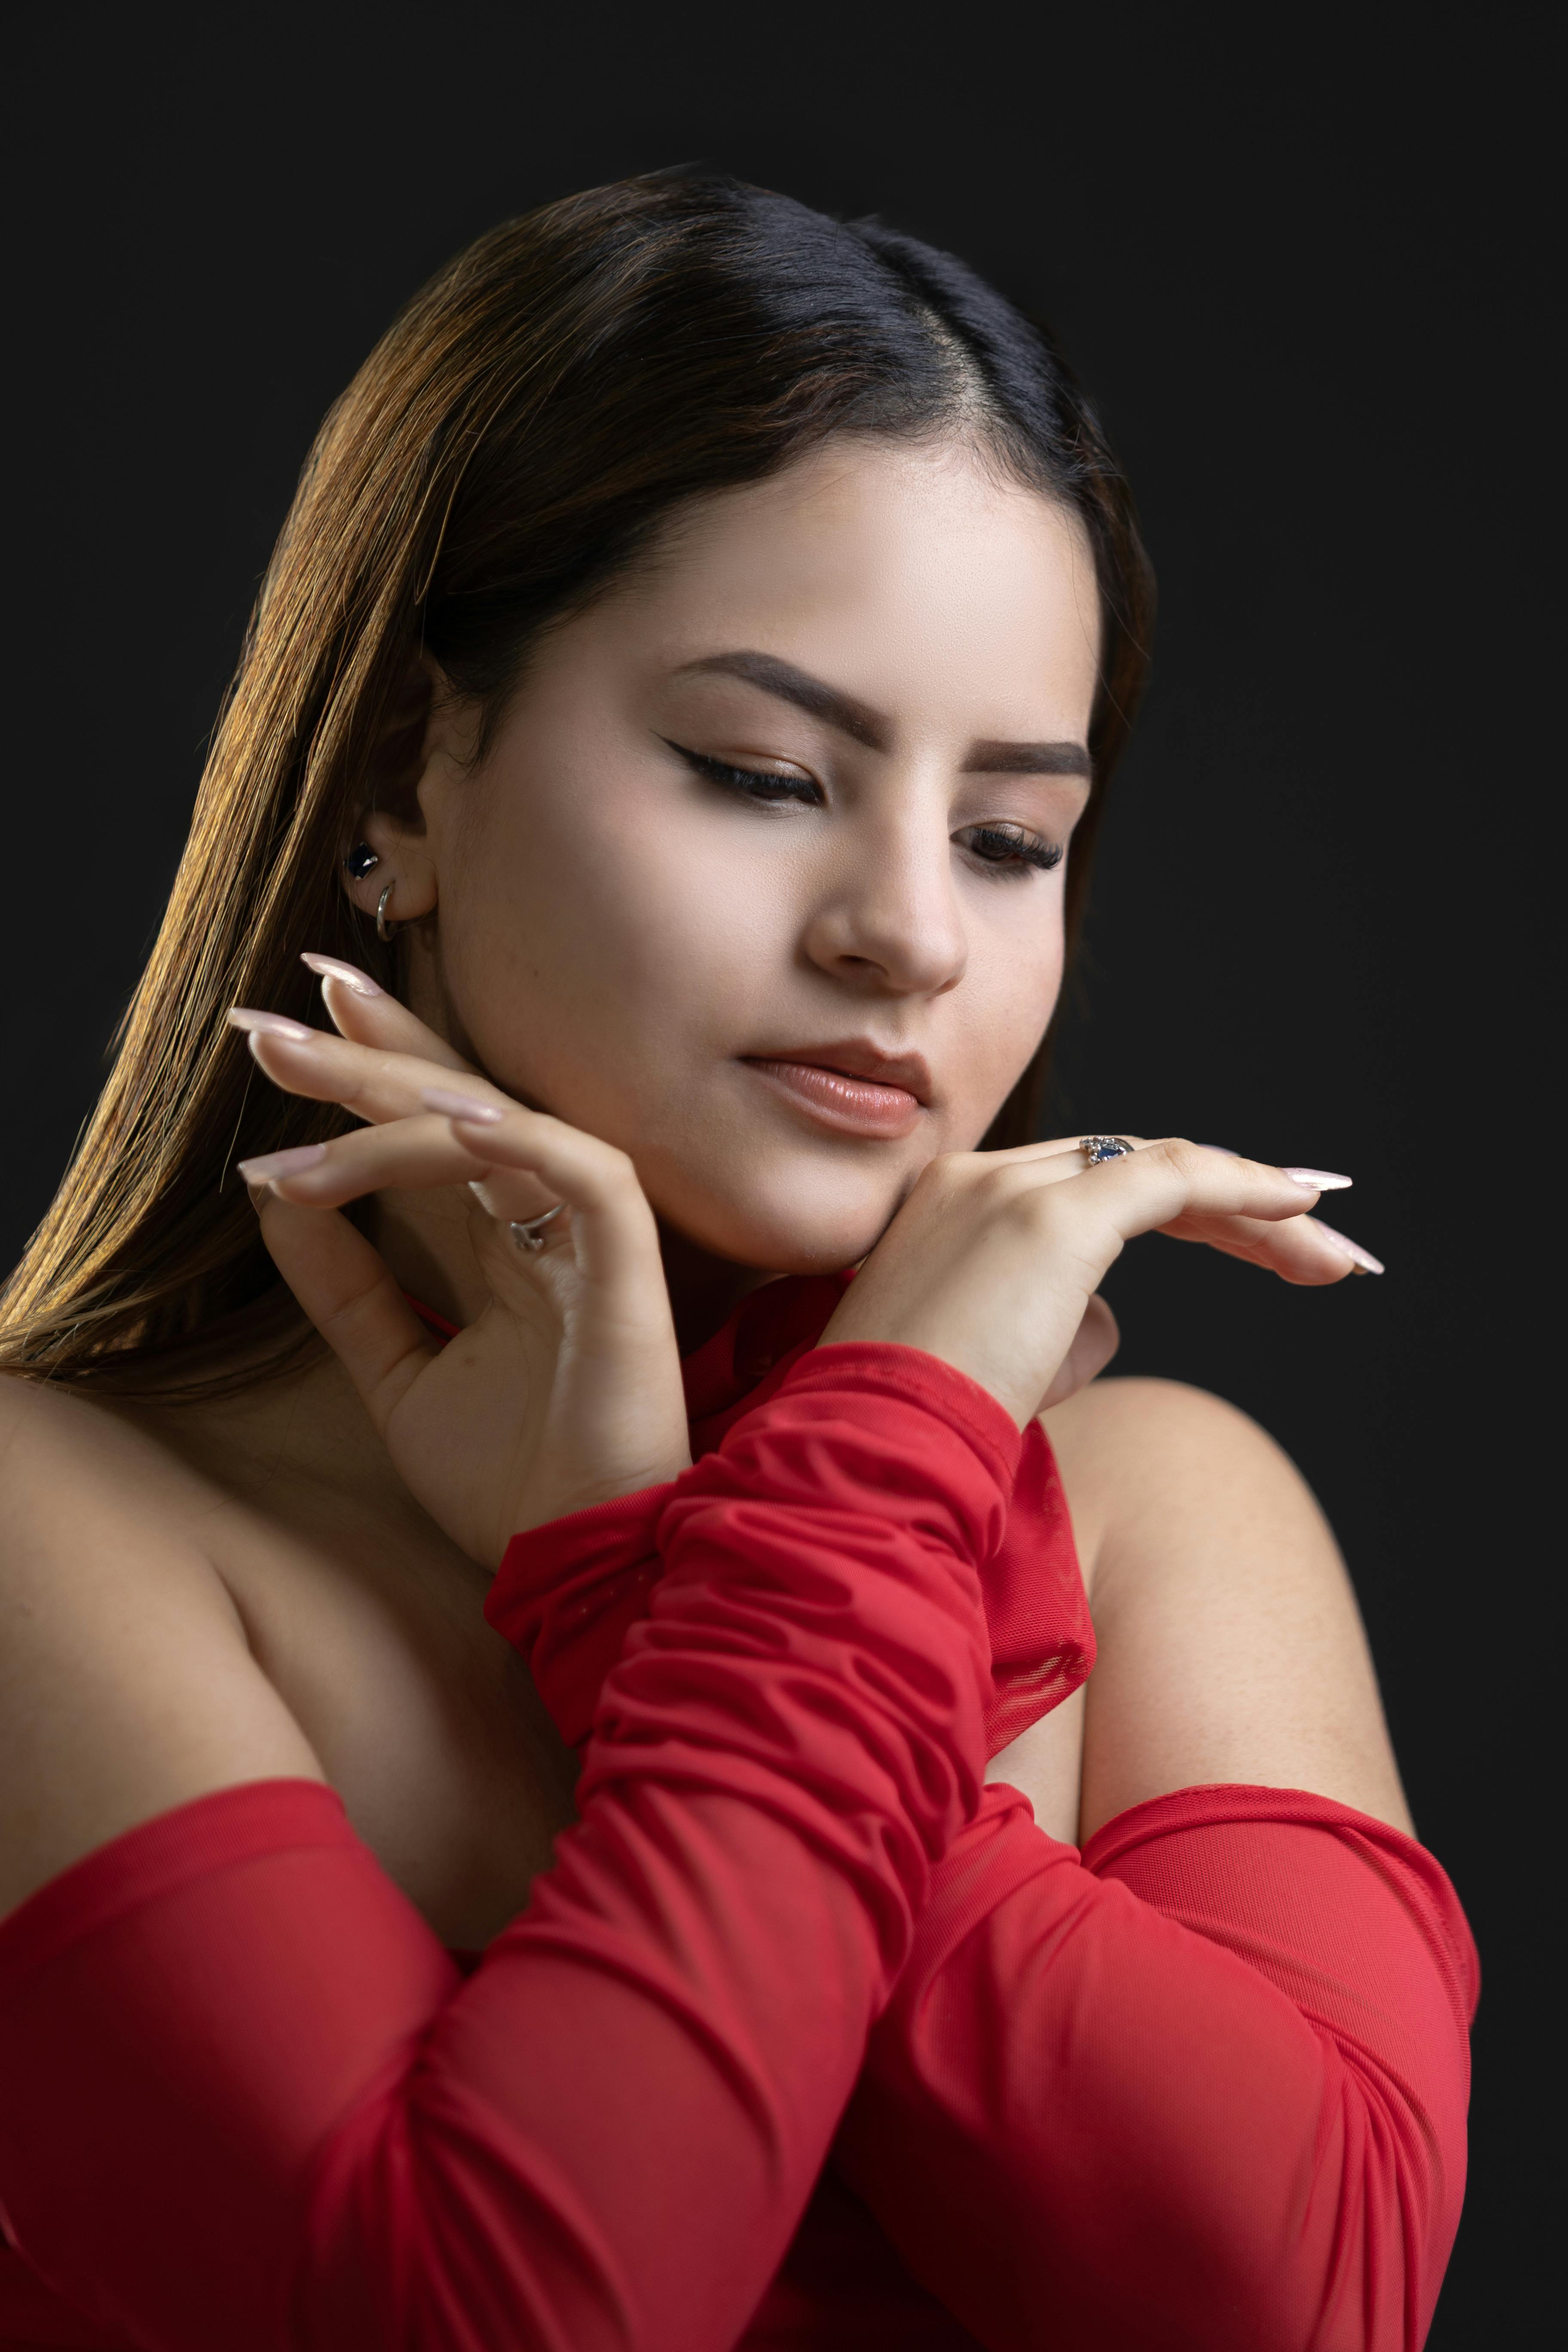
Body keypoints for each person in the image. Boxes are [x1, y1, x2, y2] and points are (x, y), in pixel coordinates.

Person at [0, 171, 1475, 2351]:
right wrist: (875, 1481)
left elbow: (1293, 2307)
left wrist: (650, 1568)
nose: (910, 933)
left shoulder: (1167, 1509)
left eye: (1009, 839)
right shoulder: (60, 1531)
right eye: (762, 772)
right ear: (407, 764)